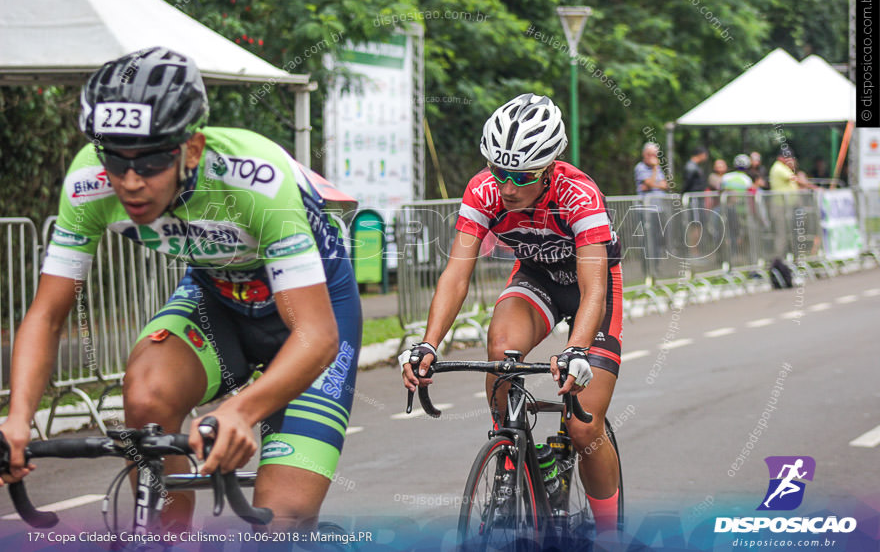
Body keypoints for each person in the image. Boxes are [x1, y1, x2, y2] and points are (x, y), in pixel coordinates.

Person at [0, 47, 362, 533]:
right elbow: (47, 314)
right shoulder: (89, 181)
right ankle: (165, 538)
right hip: (217, 301)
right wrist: (17, 418)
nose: (130, 181)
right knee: (146, 397)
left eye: (150, 161)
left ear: (191, 148)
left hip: (311, 314)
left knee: (282, 521)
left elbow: (317, 335)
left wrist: (240, 409)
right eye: (114, 159)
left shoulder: (254, 176)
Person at [399, 94, 623, 534]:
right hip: (536, 279)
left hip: (588, 290)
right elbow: (456, 274)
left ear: (549, 168)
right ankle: (513, 444)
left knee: (583, 429)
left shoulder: (578, 193)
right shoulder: (483, 190)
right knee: (502, 352)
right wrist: (428, 343)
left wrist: (575, 350)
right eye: (499, 171)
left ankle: (611, 535)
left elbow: (594, 289)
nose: (506, 186)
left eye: (521, 176)